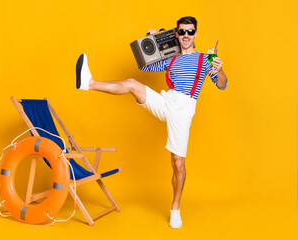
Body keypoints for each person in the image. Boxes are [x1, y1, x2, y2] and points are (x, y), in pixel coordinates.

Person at [75, 16, 228, 229]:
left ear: (195, 34)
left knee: (178, 163)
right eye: (182, 32)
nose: (186, 36)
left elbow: (221, 85)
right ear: (176, 34)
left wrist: (219, 69)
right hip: (166, 100)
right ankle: (88, 83)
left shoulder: (205, 59)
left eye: (190, 32)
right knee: (131, 83)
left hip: (183, 108)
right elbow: (145, 67)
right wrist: (152, 39)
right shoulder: (172, 58)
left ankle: (175, 208)